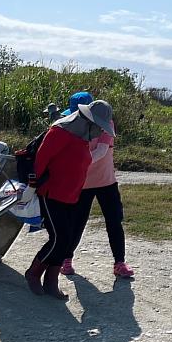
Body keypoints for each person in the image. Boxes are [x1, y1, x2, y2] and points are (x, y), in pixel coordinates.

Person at [23, 99, 116, 299]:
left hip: (72, 194)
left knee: (66, 241)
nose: (101, 132)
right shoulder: (60, 131)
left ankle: (51, 281)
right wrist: (32, 187)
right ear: (89, 121)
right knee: (60, 238)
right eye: (99, 127)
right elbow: (41, 160)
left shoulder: (83, 135)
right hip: (51, 193)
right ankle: (33, 273)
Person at [59, 92, 134, 279]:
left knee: (114, 221)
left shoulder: (106, 124)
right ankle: (66, 259)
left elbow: (101, 151)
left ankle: (119, 262)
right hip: (81, 183)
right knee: (77, 222)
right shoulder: (70, 125)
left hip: (105, 181)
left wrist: (75, 165)